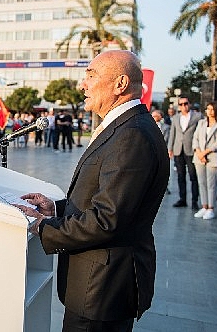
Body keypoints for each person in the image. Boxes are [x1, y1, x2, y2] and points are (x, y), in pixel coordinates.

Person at [14, 50, 169, 331]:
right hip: (100, 284)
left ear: (120, 84)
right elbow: (108, 199)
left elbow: (108, 219)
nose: (83, 84)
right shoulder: (125, 127)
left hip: (103, 288)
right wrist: (57, 209)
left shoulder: (132, 135)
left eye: (91, 75)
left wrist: (44, 227)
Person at [168, 95, 203, 209]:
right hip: (178, 149)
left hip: (191, 150)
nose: (184, 106)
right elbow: (172, 134)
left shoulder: (197, 116)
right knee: (180, 176)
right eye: (181, 104)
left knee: (193, 176)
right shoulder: (175, 118)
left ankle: (194, 201)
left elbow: (201, 133)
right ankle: (182, 199)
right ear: (178, 106)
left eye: (186, 103)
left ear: (190, 104)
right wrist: (170, 148)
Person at [191, 102, 217, 220]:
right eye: (208, 109)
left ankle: (211, 208)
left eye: (212, 109)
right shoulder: (201, 123)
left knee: (211, 184)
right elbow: (195, 138)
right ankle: (204, 206)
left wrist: (205, 153)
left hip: (213, 157)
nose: (209, 111)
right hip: (199, 156)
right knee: (201, 182)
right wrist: (199, 152)